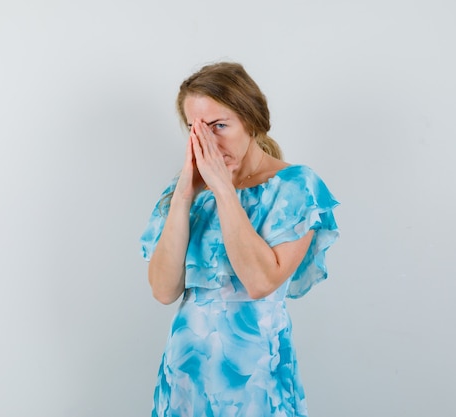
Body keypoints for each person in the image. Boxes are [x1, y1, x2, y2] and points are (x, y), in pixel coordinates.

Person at [140, 62, 340, 417]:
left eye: (219, 125)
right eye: (195, 129)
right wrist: (185, 196)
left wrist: (223, 190)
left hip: (256, 383)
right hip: (185, 378)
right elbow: (163, 290)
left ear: (251, 122)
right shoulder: (185, 190)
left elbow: (261, 281)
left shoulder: (296, 187)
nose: (208, 142)